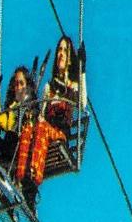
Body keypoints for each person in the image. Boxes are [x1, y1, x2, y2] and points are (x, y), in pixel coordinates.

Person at [13, 35, 88, 212]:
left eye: (65, 51)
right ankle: (19, 179)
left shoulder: (73, 86)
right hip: (44, 131)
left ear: (70, 58)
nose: (61, 54)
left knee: (41, 128)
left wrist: (82, 70)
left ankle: (32, 183)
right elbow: (43, 113)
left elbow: (83, 103)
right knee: (28, 128)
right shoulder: (49, 87)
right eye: (59, 50)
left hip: (59, 134)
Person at [0, 65, 34, 181]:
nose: (18, 87)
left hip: (21, 150)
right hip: (9, 149)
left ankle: (4, 170)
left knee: (10, 135)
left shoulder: (32, 106)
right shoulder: (12, 108)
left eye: (21, 83)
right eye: (16, 84)